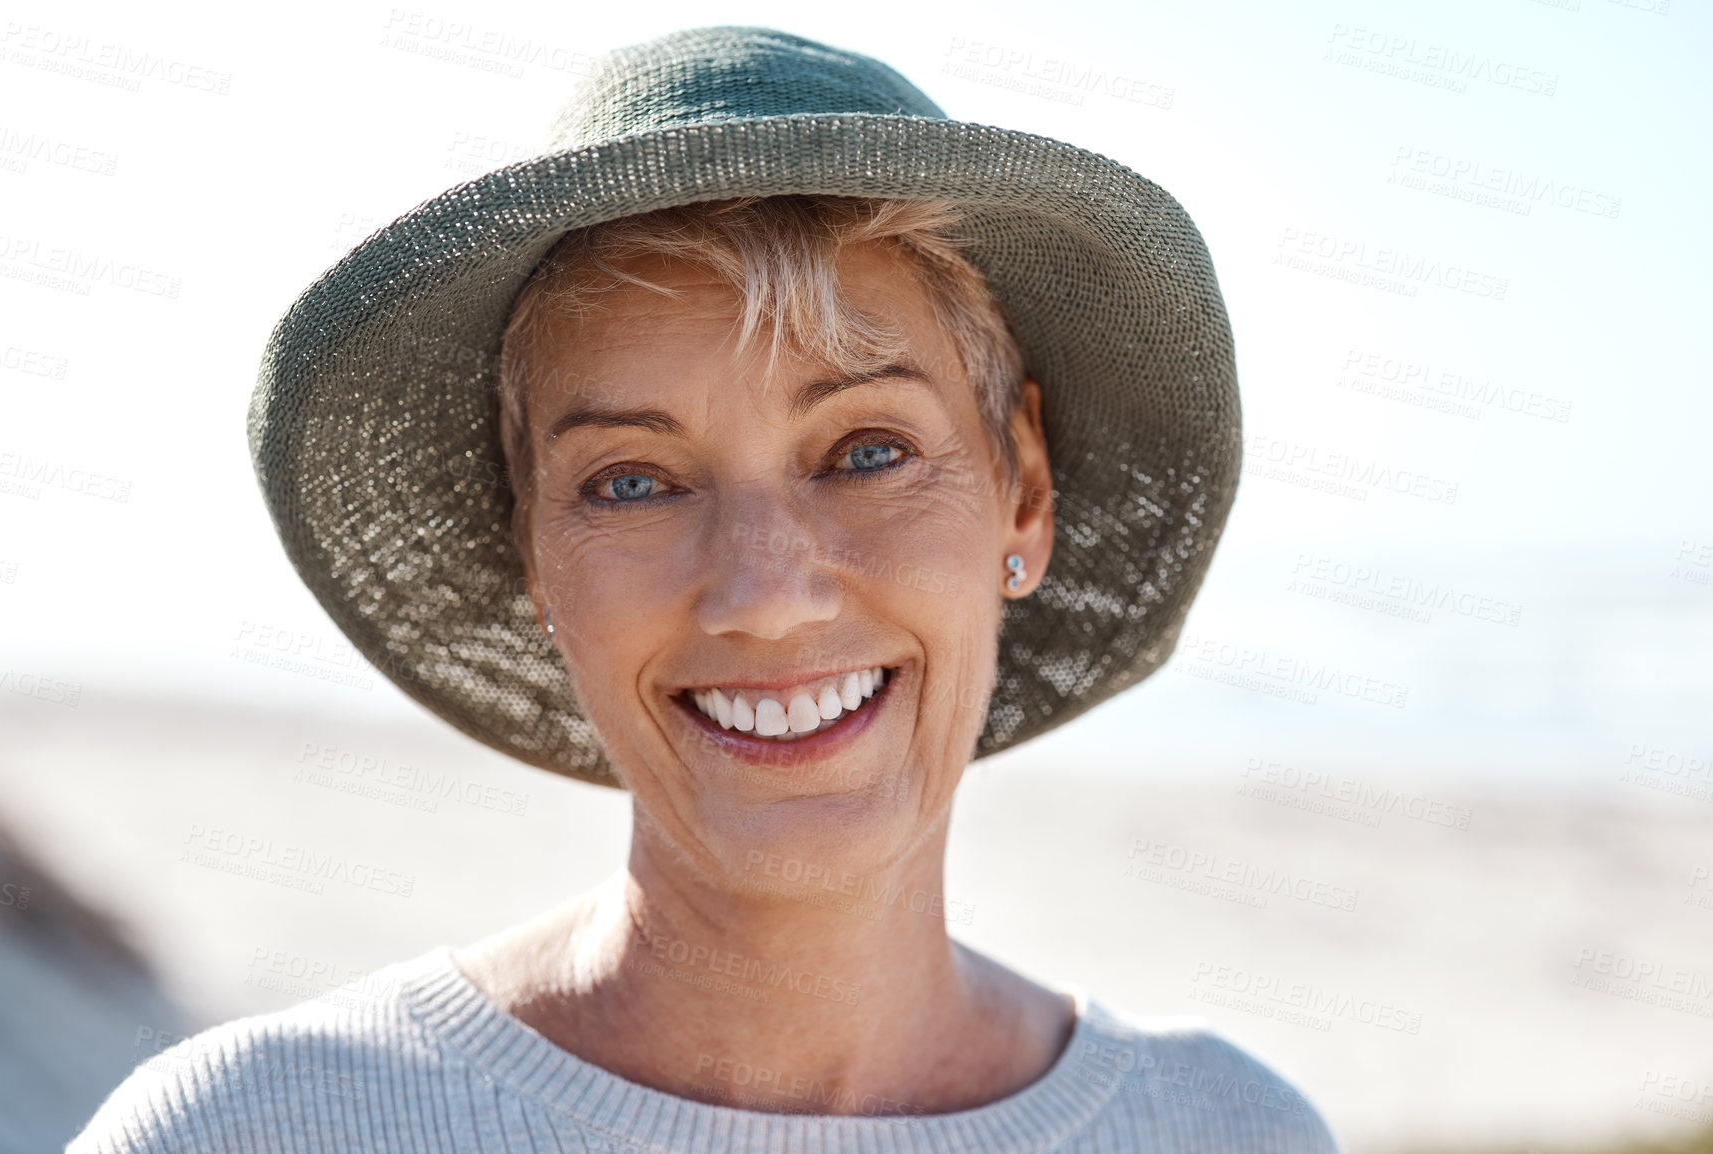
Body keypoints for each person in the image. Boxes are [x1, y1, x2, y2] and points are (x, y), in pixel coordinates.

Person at [72, 26, 1338, 1153]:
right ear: (532, 556)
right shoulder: (253, 1129)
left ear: (1022, 488)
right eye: (632, 481)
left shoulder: (1228, 1129)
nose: (765, 595)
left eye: (867, 452)